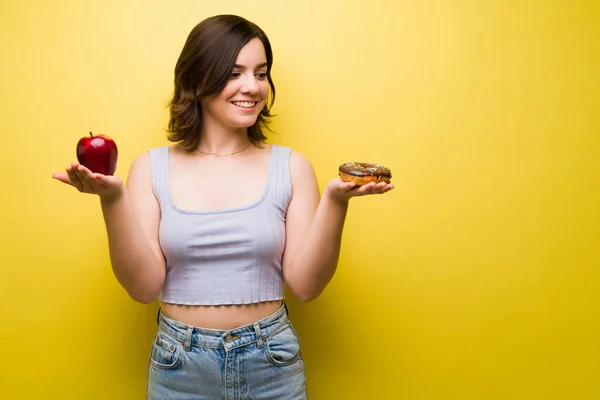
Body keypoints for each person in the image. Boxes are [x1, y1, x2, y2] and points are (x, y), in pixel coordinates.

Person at [52, 14, 394, 399]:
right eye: (234, 73)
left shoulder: (292, 167)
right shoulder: (151, 168)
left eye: (261, 73)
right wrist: (112, 200)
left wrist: (335, 202)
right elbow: (144, 287)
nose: (252, 87)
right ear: (198, 80)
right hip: (179, 365)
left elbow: (306, 286)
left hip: (272, 363)